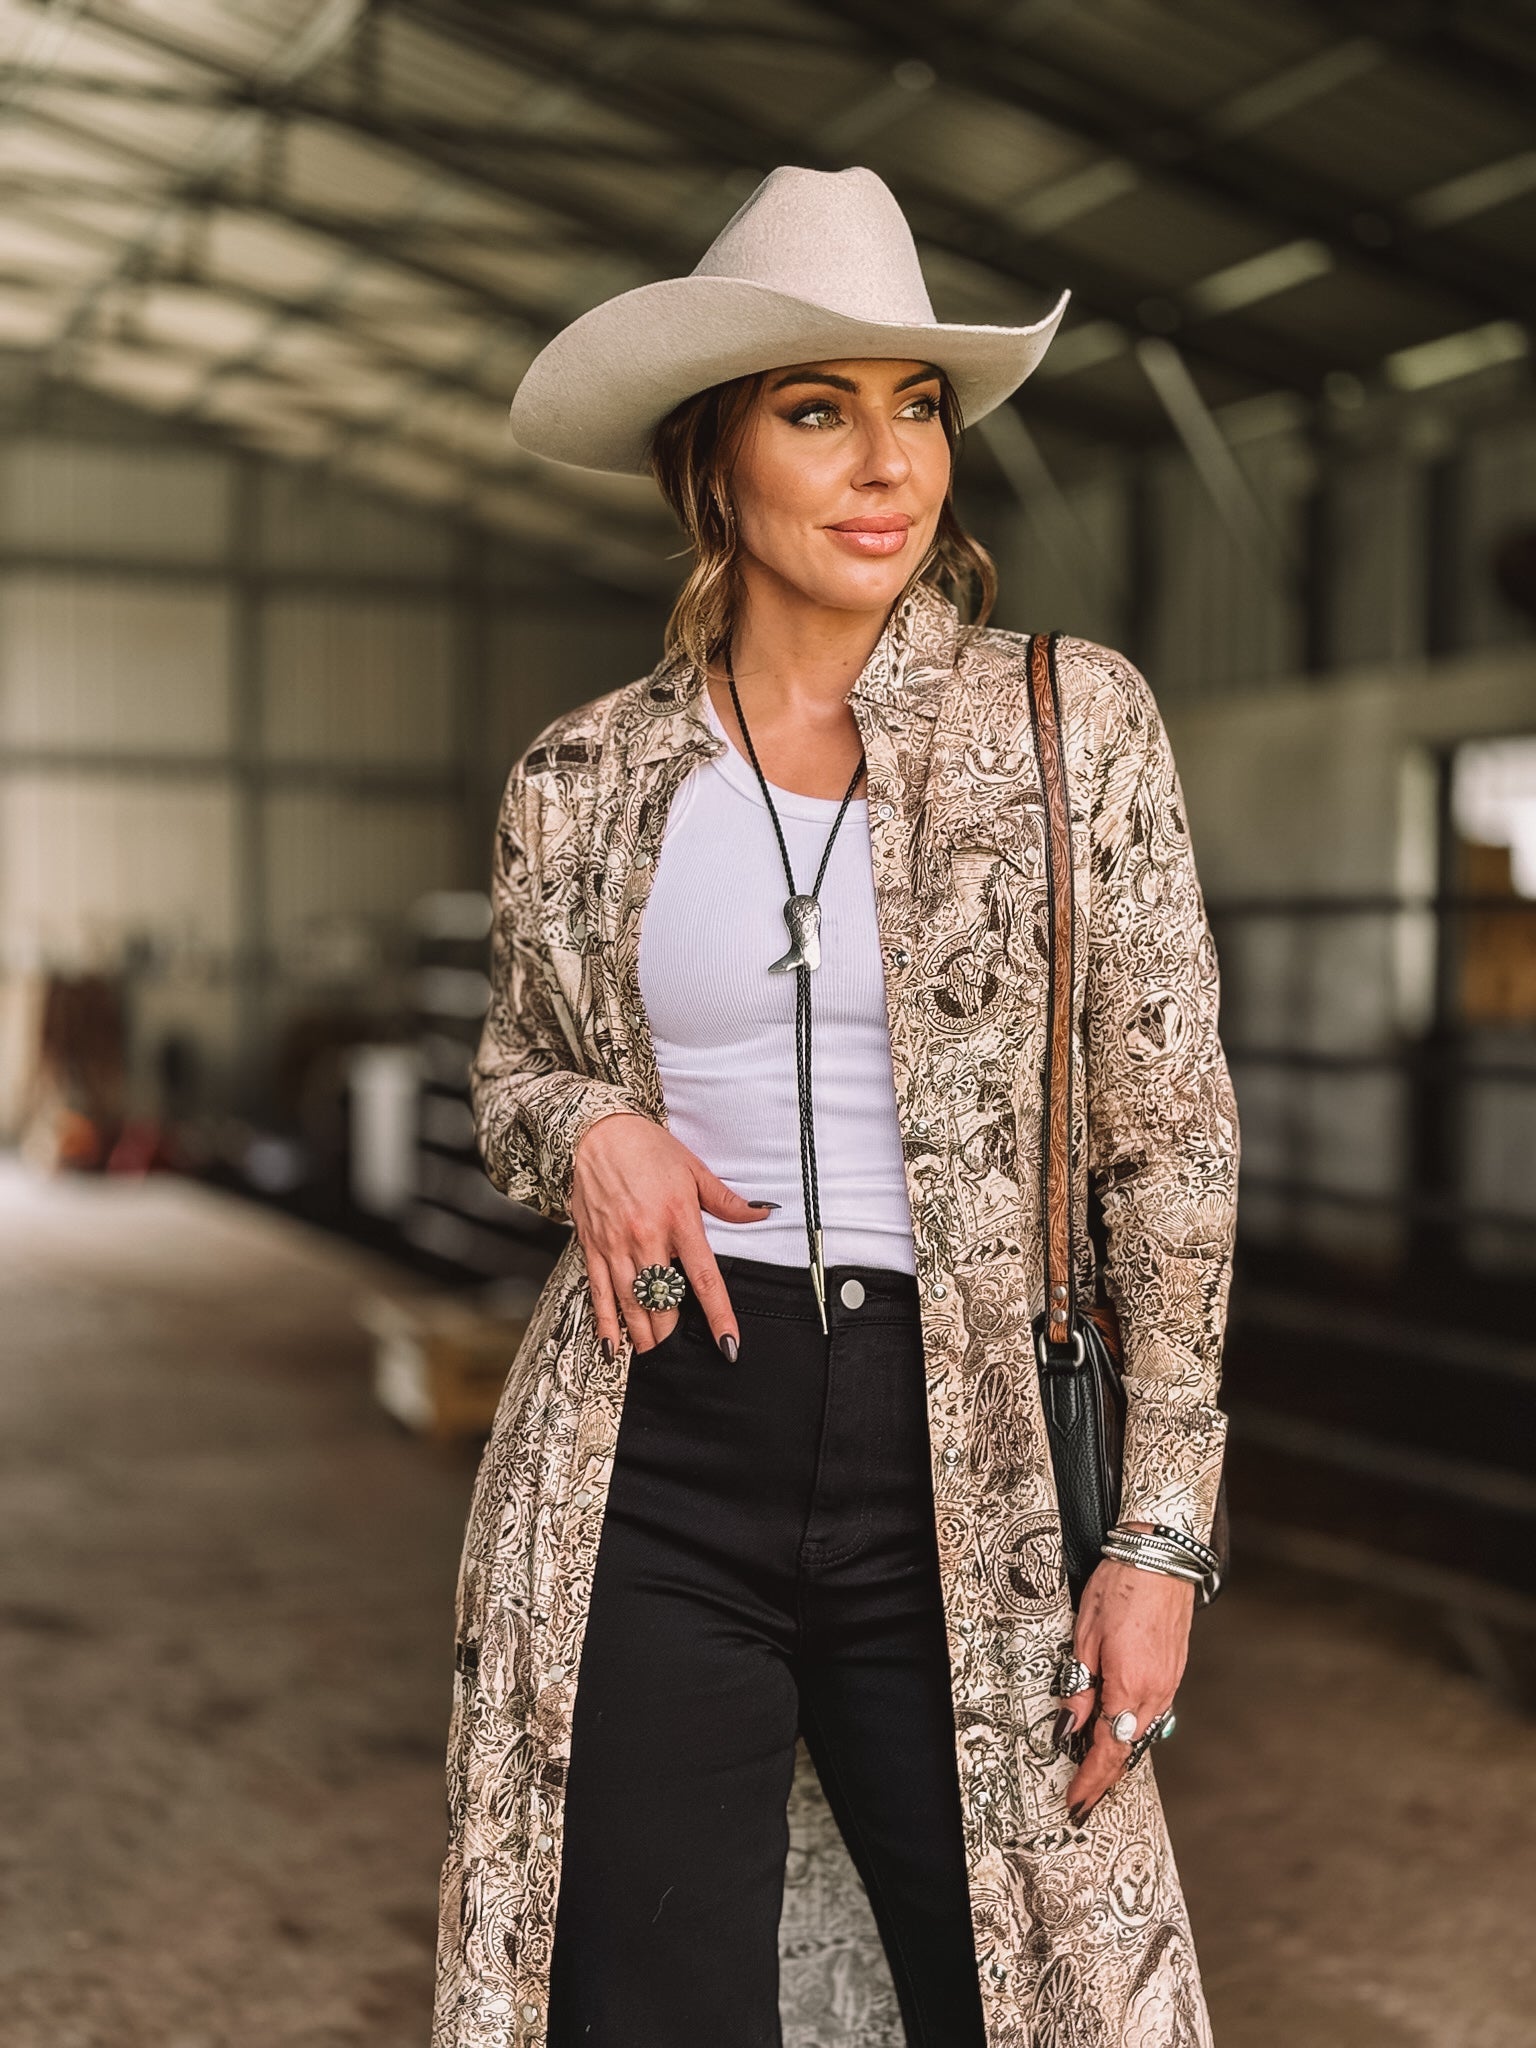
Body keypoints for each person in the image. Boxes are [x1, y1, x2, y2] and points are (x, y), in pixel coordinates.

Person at [433, 165, 1238, 2048]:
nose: (887, 464)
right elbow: (510, 1076)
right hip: (650, 1457)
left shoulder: (1068, 725)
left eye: (918, 408)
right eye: (819, 411)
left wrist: (1163, 1542)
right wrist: (589, 1131)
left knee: (1030, 2004)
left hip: (967, 1465)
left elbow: (1171, 1149)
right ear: (712, 465)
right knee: (643, 2005)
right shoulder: (584, 779)